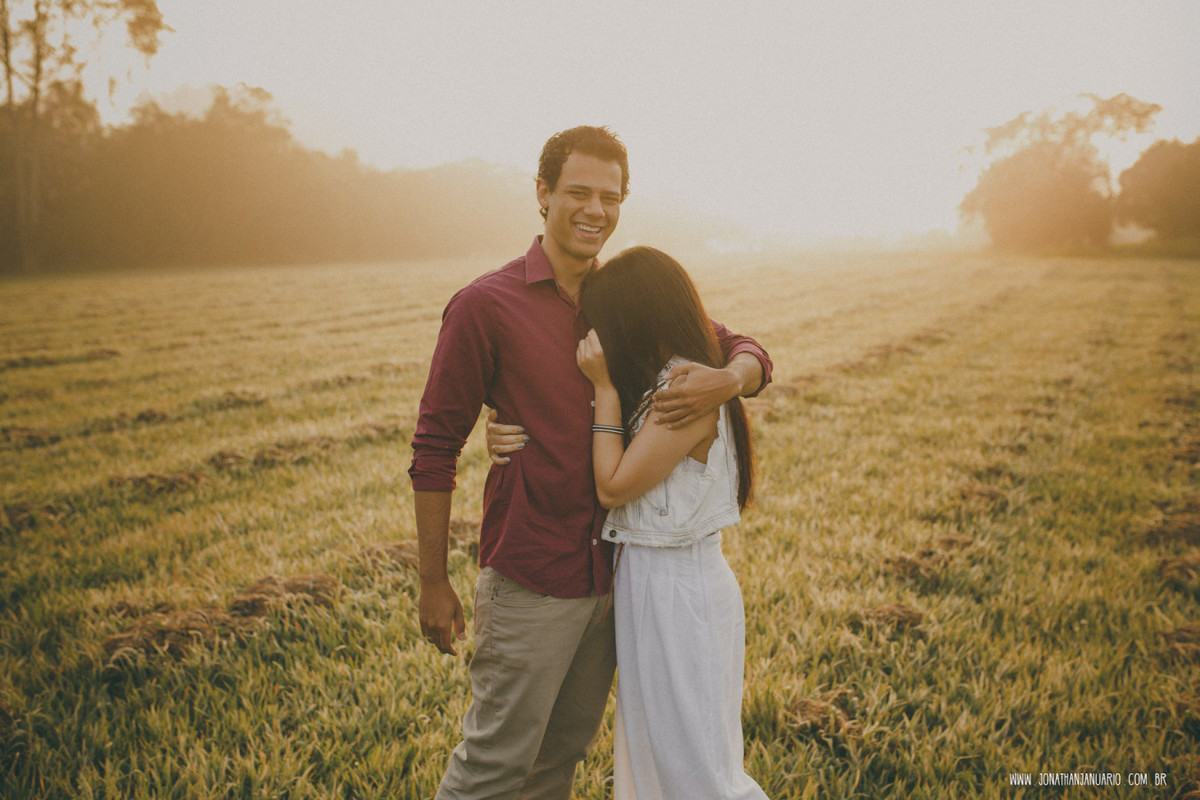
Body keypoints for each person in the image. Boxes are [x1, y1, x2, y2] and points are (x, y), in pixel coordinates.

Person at [409, 125, 772, 799]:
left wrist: (731, 379)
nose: (594, 210)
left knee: (560, 762)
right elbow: (433, 449)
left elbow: (737, 343)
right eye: (577, 191)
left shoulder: (630, 296)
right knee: (493, 768)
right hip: (533, 579)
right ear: (542, 194)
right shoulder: (486, 306)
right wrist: (433, 582)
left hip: (618, 582)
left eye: (610, 196)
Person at [575, 245, 770, 799]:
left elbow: (612, 486)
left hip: (677, 590)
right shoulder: (683, 375)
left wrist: (606, 388)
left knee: (695, 767)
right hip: (658, 585)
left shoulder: (685, 388)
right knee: (661, 755)